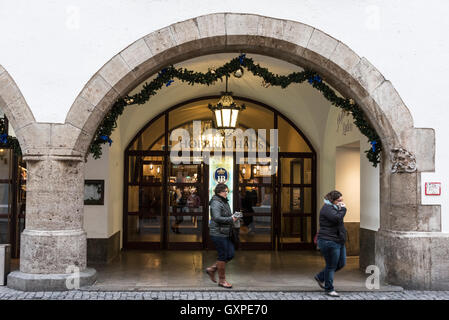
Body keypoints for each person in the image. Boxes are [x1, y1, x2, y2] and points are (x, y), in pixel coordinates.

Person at [314, 190, 347, 297]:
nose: (341, 202)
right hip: (328, 241)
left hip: (338, 240)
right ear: (332, 200)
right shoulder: (327, 208)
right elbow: (337, 218)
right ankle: (329, 289)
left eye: (342, 200)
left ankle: (320, 277)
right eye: (339, 200)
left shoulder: (335, 208)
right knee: (331, 265)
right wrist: (344, 209)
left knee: (341, 263)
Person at [205, 183, 238, 288]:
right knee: (223, 256)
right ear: (220, 192)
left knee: (231, 253)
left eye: (227, 191)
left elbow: (225, 215)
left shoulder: (223, 201)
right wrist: (231, 219)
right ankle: (222, 281)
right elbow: (216, 217)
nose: (226, 193)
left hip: (225, 232)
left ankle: (212, 269)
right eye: (225, 191)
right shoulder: (215, 202)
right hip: (218, 233)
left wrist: (233, 216)